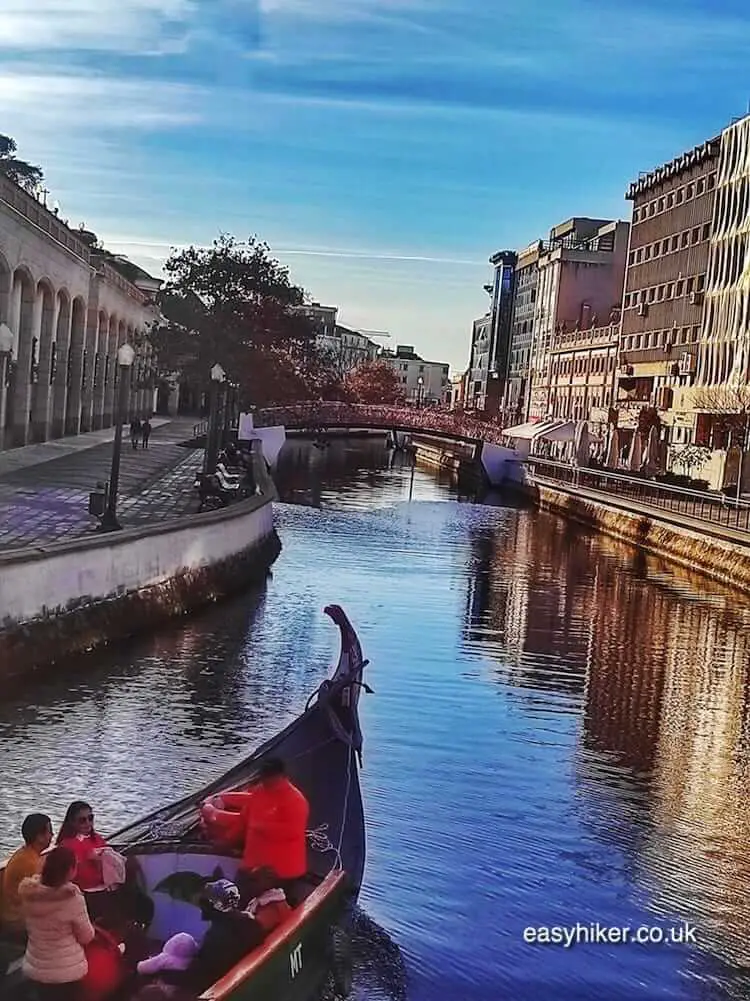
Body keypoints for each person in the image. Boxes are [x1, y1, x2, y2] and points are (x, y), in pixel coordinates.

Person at [200, 759, 309, 901]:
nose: (266, 781)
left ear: (282, 776)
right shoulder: (259, 792)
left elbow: (292, 831)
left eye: (270, 777)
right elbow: (243, 821)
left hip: (280, 871)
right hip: (252, 865)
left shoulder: (296, 801)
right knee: (236, 899)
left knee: (263, 907)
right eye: (264, 777)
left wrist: (263, 826)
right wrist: (226, 841)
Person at [57, 801, 153, 933]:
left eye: (90, 818)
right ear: (72, 823)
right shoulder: (67, 845)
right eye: (82, 820)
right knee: (116, 911)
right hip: (87, 894)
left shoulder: (96, 839)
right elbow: (78, 877)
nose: (88, 823)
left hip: (108, 889)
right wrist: (93, 862)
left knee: (145, 904)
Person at [19, 845, 95, 1000]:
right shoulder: (72, 898)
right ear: (69, 870)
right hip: (66, 970)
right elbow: (86, 937)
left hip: (38, 965)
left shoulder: (29, 893)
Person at [0, 813, 53, 938]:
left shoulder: (27, 854)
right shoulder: (29, 862)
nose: (52, 836)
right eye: (50, 832)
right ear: (39, 836)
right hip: (15, 919)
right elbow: (40, 898)